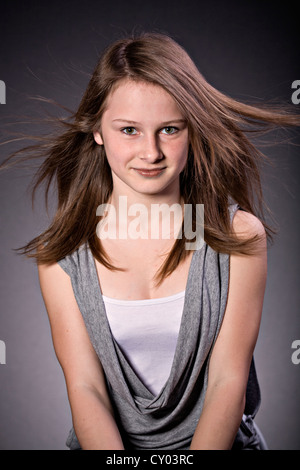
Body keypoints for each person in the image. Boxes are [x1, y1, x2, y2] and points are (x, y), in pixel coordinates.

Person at [4, 32, 299, 450]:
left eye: (170, 129)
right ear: (97, 131)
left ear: (192, 131)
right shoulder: (63, 256)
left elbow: (227, 382)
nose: (151, 152)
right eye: (129, 130)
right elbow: (86, 387)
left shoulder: (239, 238)